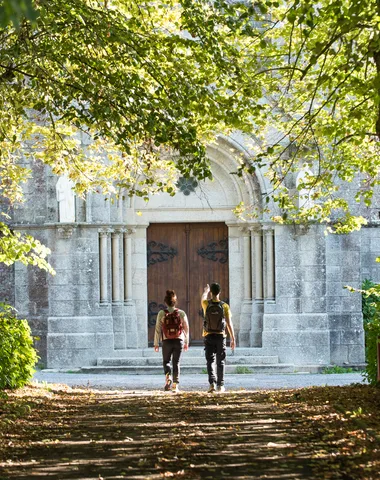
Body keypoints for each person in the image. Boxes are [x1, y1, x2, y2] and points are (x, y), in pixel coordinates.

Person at [201, 283, 235, 393]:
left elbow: (202, 298)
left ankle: (212, 384)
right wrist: (233, 338)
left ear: (212, 292)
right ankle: (221, 385)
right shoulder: (224, 306)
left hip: (208, 335)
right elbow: (229, 323)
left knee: (210, 360)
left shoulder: (206, 304)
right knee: (221, 361)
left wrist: (206, 291)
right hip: (221, 336)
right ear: (219, 292)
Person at [154, 290, 189, 393]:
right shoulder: (181, 313)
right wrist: (186, 341)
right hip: (179, 340)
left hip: (166, 341)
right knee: (176, 362)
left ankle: (168, 378)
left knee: (166, 361)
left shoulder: (161, 313)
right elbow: (186, 328)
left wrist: (156, 343)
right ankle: (175, 384)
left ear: (166, 302)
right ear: (175, 302)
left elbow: (157, 328)